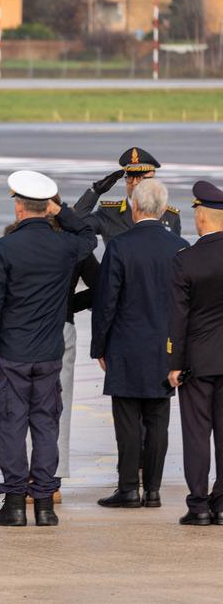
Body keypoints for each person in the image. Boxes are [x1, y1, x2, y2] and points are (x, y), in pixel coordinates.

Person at [0, 170, 96, 527]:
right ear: (46, 206)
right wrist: (61, 212)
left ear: (17, 207)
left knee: (13, 426)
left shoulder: (3, 248)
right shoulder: (65, 247)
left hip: (12, 353)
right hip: (49, 353)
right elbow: (88, 235)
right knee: (46, 426)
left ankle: (15, 503)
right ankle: (44, 504)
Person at [91, 179, 187, 510]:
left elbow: (107, 303)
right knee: (159, 418)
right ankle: (155, 490)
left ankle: (129, 488)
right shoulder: (180, 246)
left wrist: (99, 346)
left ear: (135, 208)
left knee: (128, 420)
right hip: (166, 347)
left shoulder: (119, 246)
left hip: (126, 346)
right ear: (162, 210)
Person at [167, 180, 223, 526]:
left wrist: (173, 363)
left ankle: (199, 506)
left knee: (197, 435)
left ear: (201, 217)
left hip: (198, 363)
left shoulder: (186, 260)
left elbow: (178, 318)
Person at [73, 147, 181, 245]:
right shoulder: (109, 213)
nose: (134, 183)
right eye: (130, 177)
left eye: (140, 178)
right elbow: (75, 225)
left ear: (152, 178)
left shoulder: (170, 216)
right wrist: (95, 191)